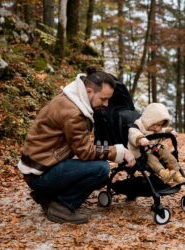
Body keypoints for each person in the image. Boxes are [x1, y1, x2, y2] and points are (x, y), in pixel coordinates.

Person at [17, 67, 136, 224]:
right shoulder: (74, 113)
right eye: (103, 99)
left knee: (99, 173)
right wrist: (119, 151)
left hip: (39, 168)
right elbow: (85, 152)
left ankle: (47, 197)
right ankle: (61, 206)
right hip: (39, 175)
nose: (106, 104)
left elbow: (79, 146)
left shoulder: (70, 99)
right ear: (89, 91)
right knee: (101, 169)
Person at [127, 103, 185, 186]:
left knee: (166, 151)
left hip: (154, 149)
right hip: (142, 154)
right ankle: (164, 174)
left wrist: (170, 132)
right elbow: (133, 133)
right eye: (156, 124)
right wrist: (140, 139)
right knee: (151, 159)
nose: (158, 128)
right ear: (149, 120)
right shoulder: (137, 125)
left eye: (160, 125)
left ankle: (176, 173)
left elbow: (163, 130)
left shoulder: (157, 128)